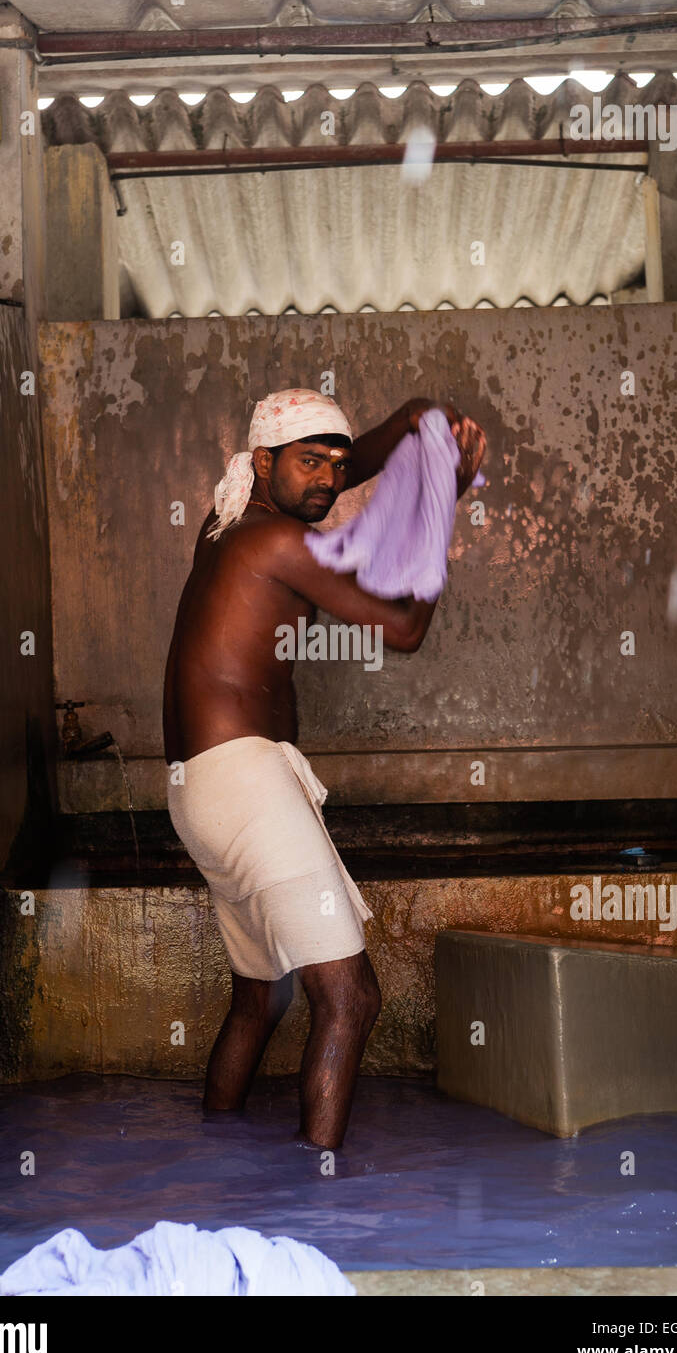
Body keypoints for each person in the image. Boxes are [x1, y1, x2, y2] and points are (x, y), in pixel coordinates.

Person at [163, 389, 486, 1148]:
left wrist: (407, 421)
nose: (328, 482)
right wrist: (445, 496)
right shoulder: (280, 544)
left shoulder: (227, 520)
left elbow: (333, 465)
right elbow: (403, 628)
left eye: (337, 468)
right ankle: (320, 1204)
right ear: (265, 462)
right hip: (245, 782)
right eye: (310, 465)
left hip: (199, 789)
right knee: (351, 999)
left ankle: (216, 1152)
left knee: (260, 999)